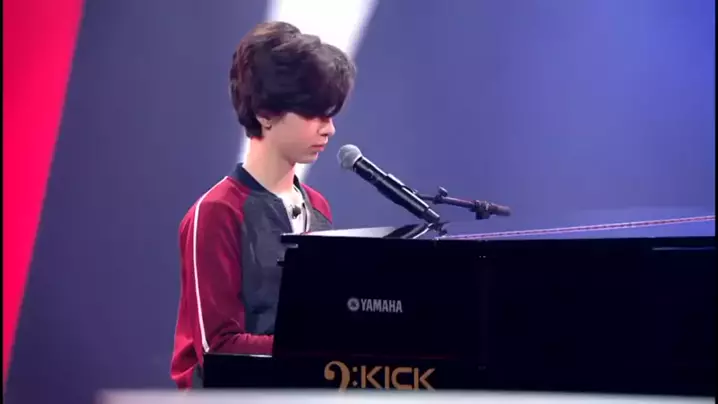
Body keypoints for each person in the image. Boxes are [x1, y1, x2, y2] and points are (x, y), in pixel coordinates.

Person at [170, 21, 357, 389]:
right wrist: (321, 348)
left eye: (330, 115)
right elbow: (217, 347)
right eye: (313, 114)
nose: (329, 129)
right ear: (265, 113)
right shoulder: (217, 212)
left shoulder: (318, 206)